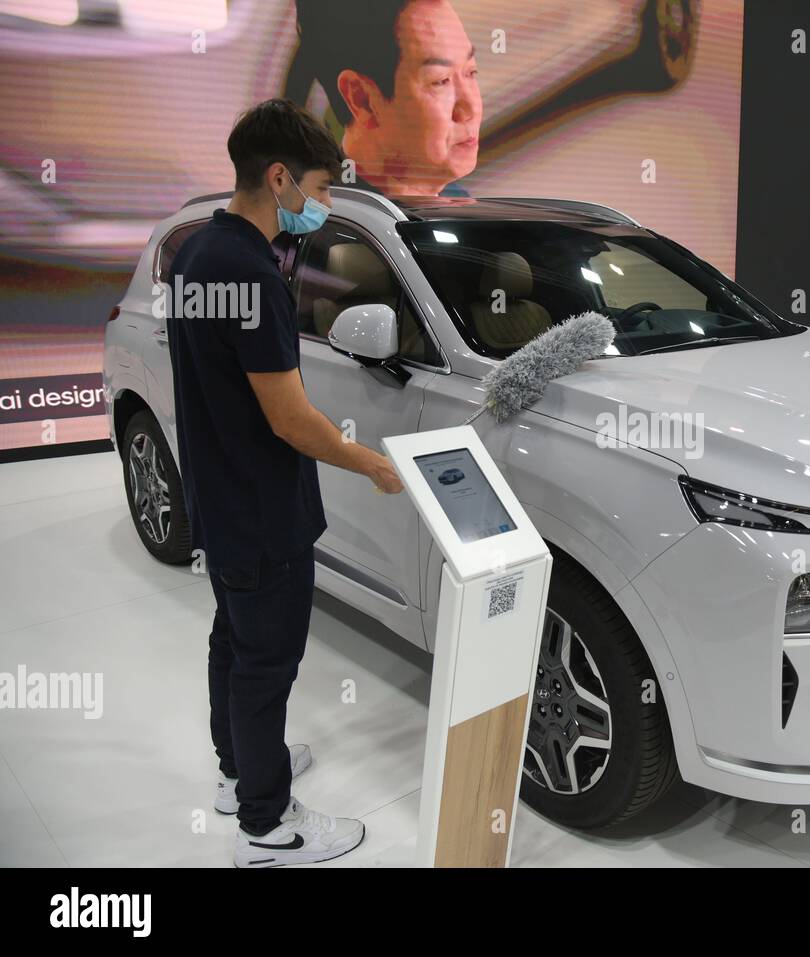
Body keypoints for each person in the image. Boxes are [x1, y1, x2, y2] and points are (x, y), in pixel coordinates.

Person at [167, 99, 404, 868]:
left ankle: (242, 773)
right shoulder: (251, 272)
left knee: (235, 642)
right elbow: (289, 418)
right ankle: (269, 830)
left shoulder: (199, 256)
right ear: (279, 178)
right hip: (263, 509)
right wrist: (370, 461)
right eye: (320, 188)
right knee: (268, 660)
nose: (324, 206)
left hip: (222, 497)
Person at [286, 0, 481, 199]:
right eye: (441, 81)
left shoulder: (456, 200)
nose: (470, 108)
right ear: (362, 100)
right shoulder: (322, 220)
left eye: (471, 72)